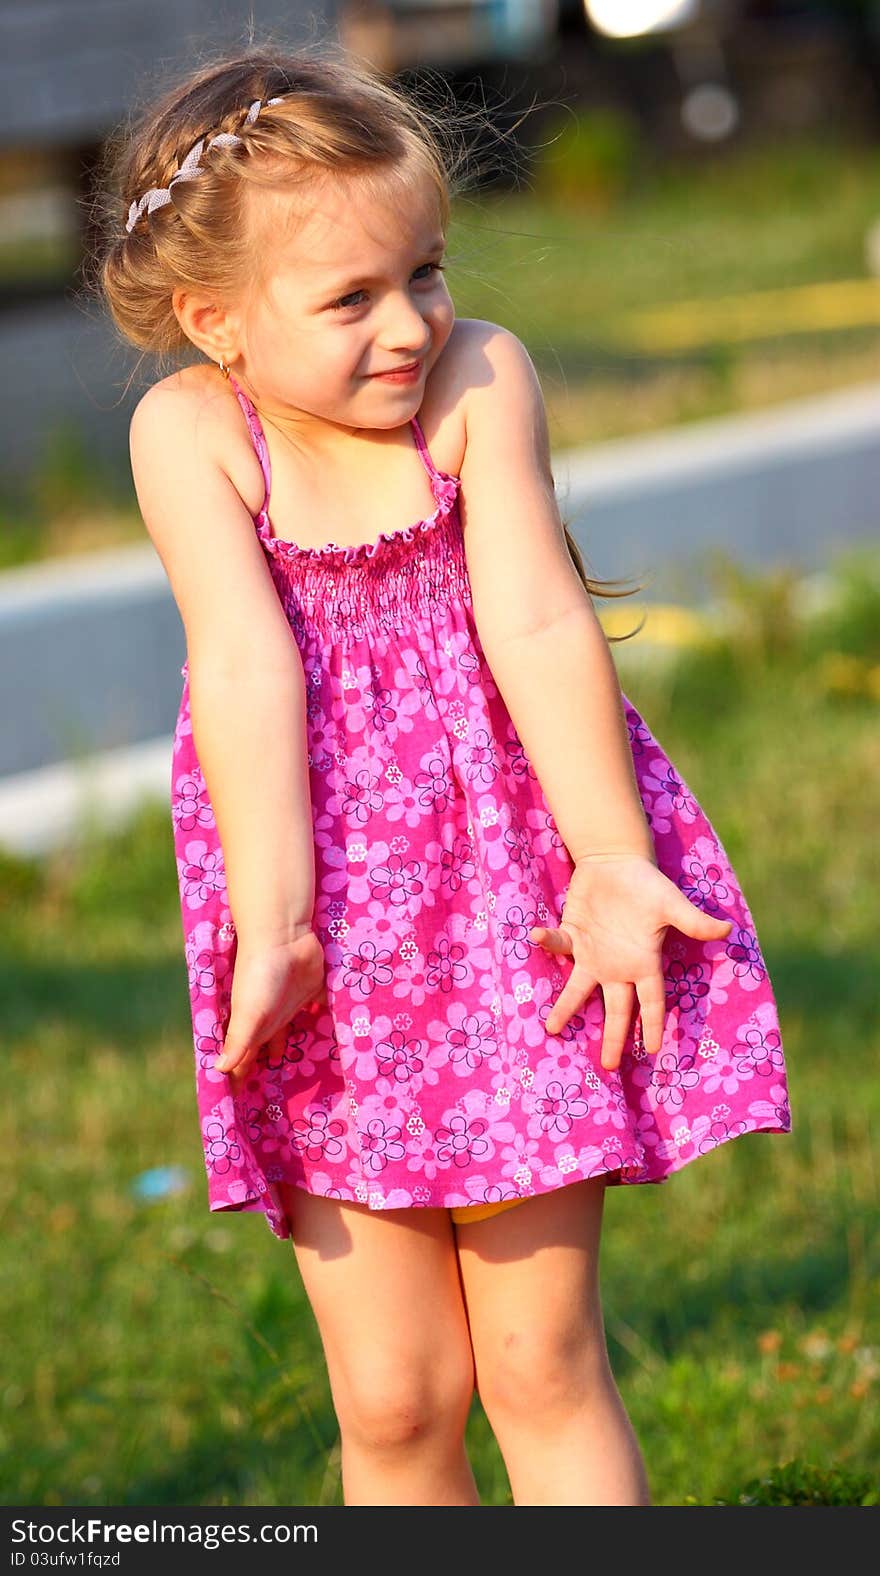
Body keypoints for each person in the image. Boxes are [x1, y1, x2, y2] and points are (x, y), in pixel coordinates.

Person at [94, 44, 791, 1507]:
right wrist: (274, 927)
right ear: (215, 321)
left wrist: (609, 860)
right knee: (395, 1397)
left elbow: (536, 619)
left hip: (509, 917)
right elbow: (244, 670)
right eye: (349, 298)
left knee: (541, 1361)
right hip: (331, 939)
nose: (408, 324)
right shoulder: (192, 435)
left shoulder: (479, 380)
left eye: (425, 271)